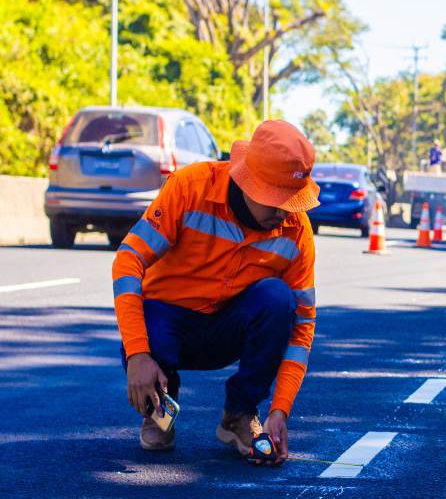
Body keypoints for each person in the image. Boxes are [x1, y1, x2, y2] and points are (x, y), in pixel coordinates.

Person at [111, 120, 319, 465]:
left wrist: (280, 410)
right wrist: (137, 354)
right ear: (248, 181)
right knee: (150, 321)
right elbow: (128, 261)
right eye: (276, 200)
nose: (284, 211)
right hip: (166, 322)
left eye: (291, 201)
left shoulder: (296, 231)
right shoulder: (191, 187)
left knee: (279, 299)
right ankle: (160, 413)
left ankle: (238, 413)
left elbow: (303, 326)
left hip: (227, 330)